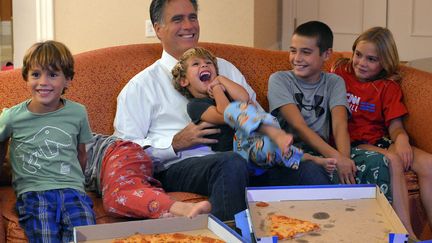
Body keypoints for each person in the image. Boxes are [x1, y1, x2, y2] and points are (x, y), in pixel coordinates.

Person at [113, 0, 332, 221]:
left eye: (193, 17)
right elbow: (124, 150)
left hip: (245, 155)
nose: (189, 26)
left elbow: (254, 110)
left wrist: (272, 138)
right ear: (157, 28)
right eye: (177, 19)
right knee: (231, 163)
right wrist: (174, 144)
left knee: (310, 170)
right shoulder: (141, 86)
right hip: (183, 166)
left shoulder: (225, 69)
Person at [267, 21, 392, 214]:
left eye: (306, 52)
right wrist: (337, 158)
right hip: (293, 153)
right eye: (293, 51)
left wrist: (344, 159)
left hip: (327, 151)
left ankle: (380, 227)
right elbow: (299, 126)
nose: (297, 58)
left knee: (377, 161)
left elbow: (340, 125)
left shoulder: (334, 82)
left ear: (326, 54)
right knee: (316, 170)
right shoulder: (280, 80)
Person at [331, 26, 432, 238]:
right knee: (392, 160)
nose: (361, 63)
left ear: (384, 62)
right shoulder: (341, 73)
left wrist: (402, 139)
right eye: (358, 55)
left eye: (371, 59)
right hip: (354, 142)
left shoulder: (387, 86)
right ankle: (407, 235)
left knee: (428, 164)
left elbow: (395, 126)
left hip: (380, 139)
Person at [172, 47, 336, 175]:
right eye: (196, 64)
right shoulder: (195, 105)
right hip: (236, 153)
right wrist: (216, 89)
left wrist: (221, 80)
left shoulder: (225, 91)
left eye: (208, 63)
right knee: (236, 109)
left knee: (277, 149)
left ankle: (312, 159)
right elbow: (225, 113)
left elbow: (244, 97)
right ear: (184, 80)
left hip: (255, 149)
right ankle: (272, 132)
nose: (204, 65)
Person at [0, 40, 95, 242]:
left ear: (68, 79)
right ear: (26, 77)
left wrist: (79, 184)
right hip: (34, 192)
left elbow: (81, 154)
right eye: (36, 74)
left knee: (85, 233)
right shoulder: (11, 117)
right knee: (45, 235)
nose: (43, 82)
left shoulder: (78, 112)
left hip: (72, 190)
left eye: (52, 75)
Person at [84, 133, 211, 219]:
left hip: (116, 152)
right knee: (118, 201)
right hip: (108, 169)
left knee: (118, 197)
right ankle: (165, 212)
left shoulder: (68, 124)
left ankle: (185, 209)